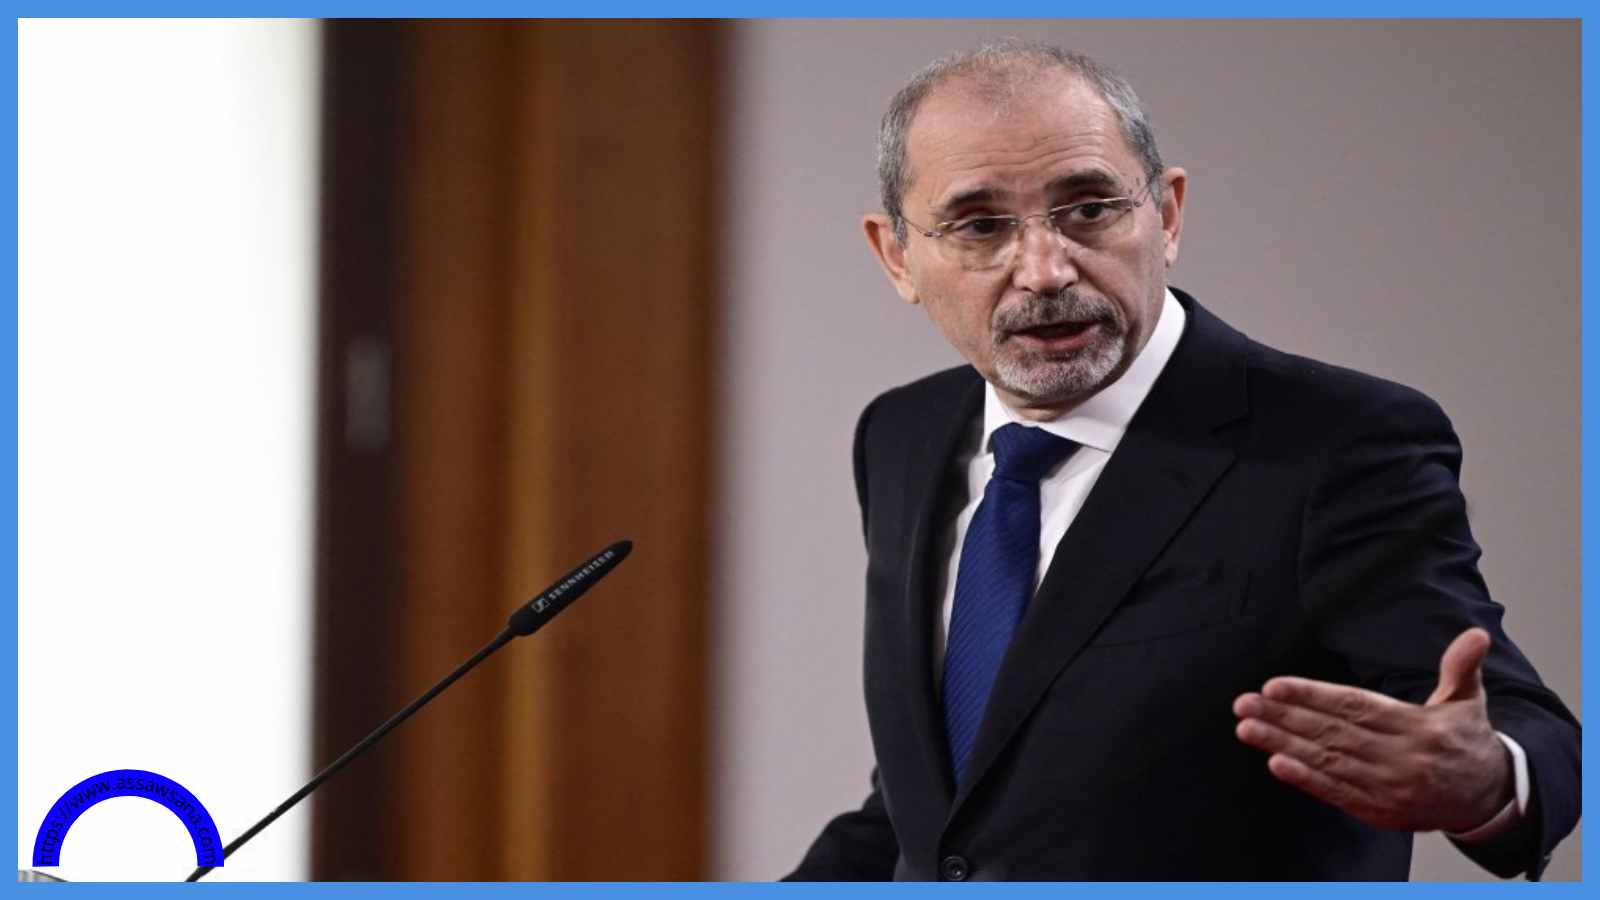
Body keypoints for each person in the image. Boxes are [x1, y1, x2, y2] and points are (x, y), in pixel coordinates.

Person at [785, 40, 1580, 881]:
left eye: (1089, 208)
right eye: (980, 226)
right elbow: (938, 812)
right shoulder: (902, 436)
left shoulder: (1335, 446)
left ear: (1166, 216)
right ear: (897, 257)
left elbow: (1522, 730)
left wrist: (1488, 780)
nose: (1046, 270)